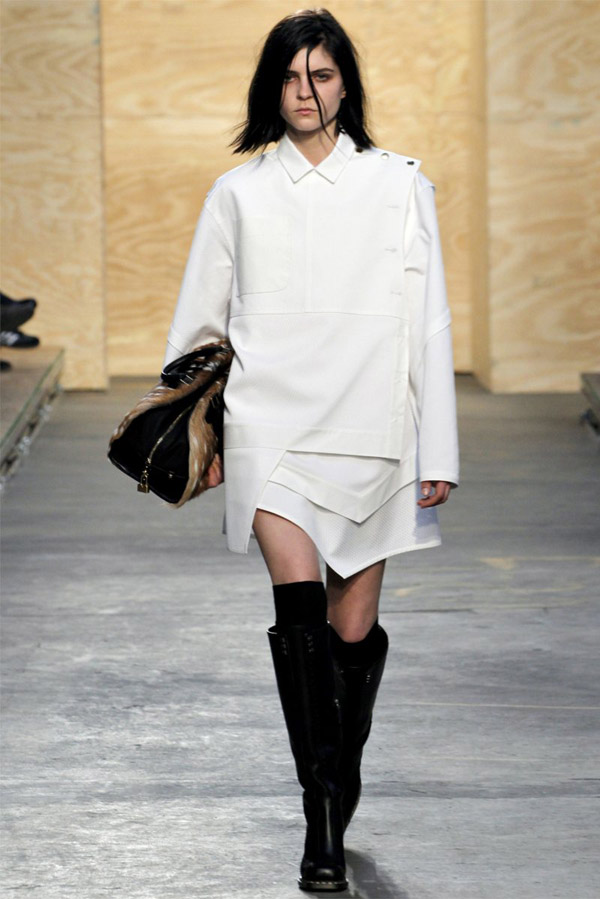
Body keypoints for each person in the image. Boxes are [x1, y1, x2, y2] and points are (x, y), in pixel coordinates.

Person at [163, 8, 459, 892]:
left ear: (345, 84)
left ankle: (340, 763)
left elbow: (430, 321)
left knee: (350, 634)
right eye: (290, 77)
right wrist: (202, 433)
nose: (305, 92)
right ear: (272, 87)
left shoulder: (400, 185)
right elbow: (199, 326)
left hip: (373, 427)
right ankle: (321, 815)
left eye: (321, 75)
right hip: (271, 428)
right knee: (299, 615)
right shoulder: (239, 193)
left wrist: (438, 446)